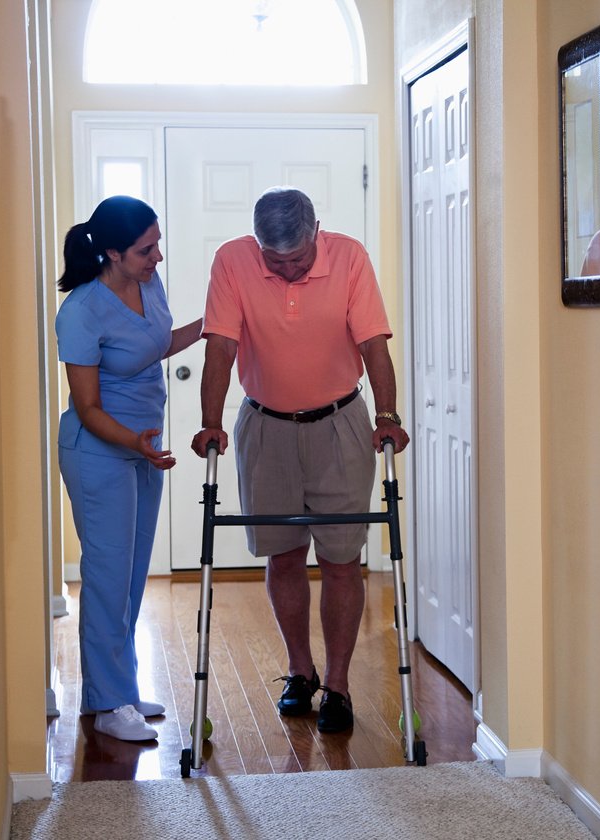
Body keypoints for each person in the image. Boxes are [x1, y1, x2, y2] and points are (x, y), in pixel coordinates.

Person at [191, 187, 409, 734]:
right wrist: (211, 421)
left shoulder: (350, 257)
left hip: (340, 424)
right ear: (258, 244)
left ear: (317, 233)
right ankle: (300, 671)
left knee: (340, 559)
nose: (287, 270)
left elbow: (374, 345)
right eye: (275, 260)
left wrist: (388, 414)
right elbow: (219, 345)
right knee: (282, 555)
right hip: (265, 425)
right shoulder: (233, 261)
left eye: (298, 259)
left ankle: (337, 683)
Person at [55, 195, 203, 742]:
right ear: (113, 252)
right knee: (106, 578)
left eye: (158, 243)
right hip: (100, 452)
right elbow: (88, 408)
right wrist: (136, 444)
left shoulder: (147, 285)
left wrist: (213, 325)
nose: (157, 256)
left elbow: (155, 344)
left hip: (144, 447)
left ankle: (115, 691)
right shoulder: (81, 310)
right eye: (146, 249)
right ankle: (110, 702)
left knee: (132, 576)